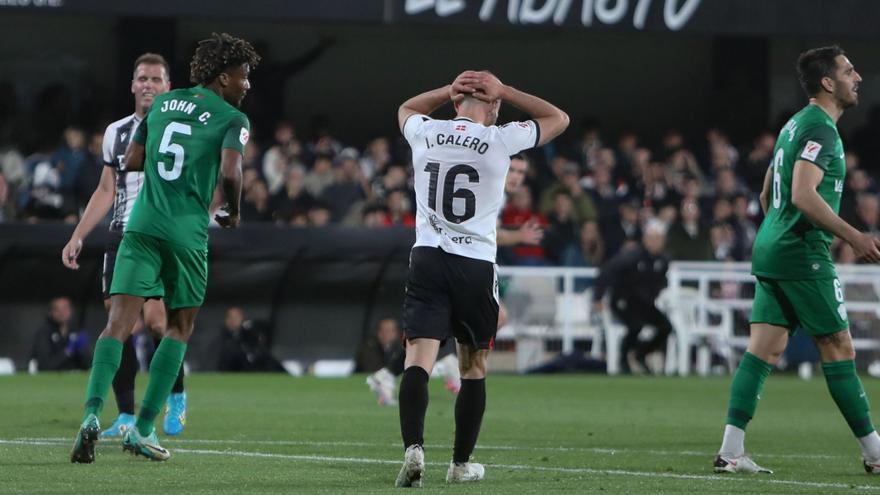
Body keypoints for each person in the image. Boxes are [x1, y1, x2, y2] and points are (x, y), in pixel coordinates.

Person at [69, 32, 258, 464]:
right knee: (178, 327)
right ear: (223, 77)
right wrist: (234, 210)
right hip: (186, 234)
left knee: (116, 325)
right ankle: (145, 427)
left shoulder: (161, 106)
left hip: (139, 226)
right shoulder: (233, 119)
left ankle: (92, 416)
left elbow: (133, 161)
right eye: (243, 76)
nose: (247, 85)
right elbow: (231, 170)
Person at [394, 70, 568, 486]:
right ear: (493, 107)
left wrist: (444, 89)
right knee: (473, 366)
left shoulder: (426, 131)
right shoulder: (500, 138)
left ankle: (414, 450)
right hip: (473, 263)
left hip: (428, 257)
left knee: (418, 358)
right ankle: (459, 465)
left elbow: (406, 108)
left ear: (455, 103)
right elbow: (559, 118)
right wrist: (506, 90)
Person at [713, 46, 880, 475]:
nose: (857, 76)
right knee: (838, 345)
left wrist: (779, 230)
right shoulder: (822, 130)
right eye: (848, 70)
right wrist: (855, 236)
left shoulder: (793, 124)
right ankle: (875, 453)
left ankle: (731, 451)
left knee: (763, 350)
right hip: (801, 253)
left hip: (774, 248)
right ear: (828, 82)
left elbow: (770, 190)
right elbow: (803, 194)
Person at [60, 53, 188, 440]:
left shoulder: (180, 130)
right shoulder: (116, 132)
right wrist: (78, 234)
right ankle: (127, 414)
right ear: (133, 85)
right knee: (121, 326)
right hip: (121, 235)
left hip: (162, 237)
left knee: (158, 323)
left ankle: (177, 398)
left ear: (168, 86)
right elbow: (105, 189)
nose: (148, 84)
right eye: (142, 78)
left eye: (156, 79)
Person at [592, 220, 672, 374]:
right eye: (652, 238)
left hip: (645, 304)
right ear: (645, 239)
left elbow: (661, 281)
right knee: (636, 325)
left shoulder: (663, 261)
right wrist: (598, 296)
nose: (655, 243)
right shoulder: (632, 257)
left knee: (666, 327)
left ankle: (641, 353)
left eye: (658, 239)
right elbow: (607, 270)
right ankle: (623, 359)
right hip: (623, 301)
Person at [30, 297, 90, 371]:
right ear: (51, 312)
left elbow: (88, 365)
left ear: (71, 311)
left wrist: (82, 351)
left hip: (74, 376)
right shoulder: (44, 333)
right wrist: (67, 351)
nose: (62, 312)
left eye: (65, 308)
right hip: (51, 378)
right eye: (57, 309)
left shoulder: (76, 331)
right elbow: (46, 365)